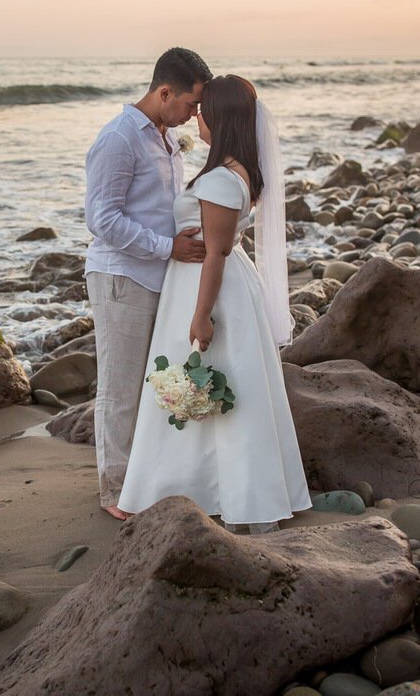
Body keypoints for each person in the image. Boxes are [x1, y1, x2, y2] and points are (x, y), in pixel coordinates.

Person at [117, 75, 311, 530]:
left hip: (212, 292)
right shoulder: (229, 169)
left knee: (214, 387)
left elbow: (218, 253)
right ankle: (201, 488)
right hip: (206, 285)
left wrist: (202, 315)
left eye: (204, 109)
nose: (196, 115)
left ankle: (220, 494)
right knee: (208, 389)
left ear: (221, 119)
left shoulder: (224, 178)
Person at [84, 47, 212, 521]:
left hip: (157, 274)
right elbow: (101, 219)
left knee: (152, 382)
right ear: (164, 92)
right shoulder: (119, 139)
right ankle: (114, 489)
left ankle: (143, 477)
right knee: (120, 388)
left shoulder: (164, 135)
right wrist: (167, 247)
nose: (194, 114)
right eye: (191, 104)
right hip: (123, 276)